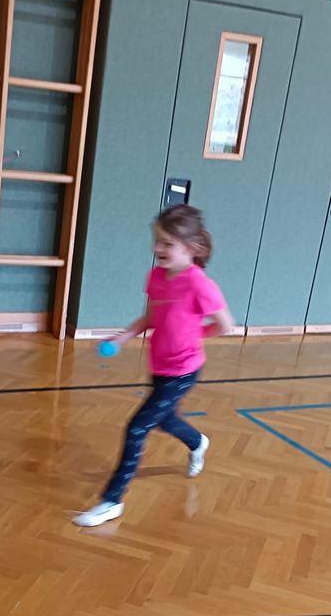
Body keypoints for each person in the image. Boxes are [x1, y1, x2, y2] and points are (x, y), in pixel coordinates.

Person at [73, 204, 234, 527]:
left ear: (191, 248)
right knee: (165, 419)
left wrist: (196, 335)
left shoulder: (200, 284)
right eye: (157, 240)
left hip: (184, 370)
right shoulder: (156, 277)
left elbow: (226, 325)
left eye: (167, 243)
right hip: (160, 365)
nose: (157, 248)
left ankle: (112, 500)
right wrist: (122, 337)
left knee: (137, 428)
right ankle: (197, 442)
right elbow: (150, 317)